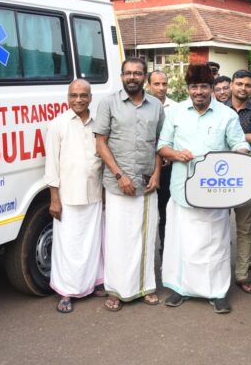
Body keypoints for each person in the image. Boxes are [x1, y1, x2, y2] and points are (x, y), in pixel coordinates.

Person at [157, 63, 249, 314]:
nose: (199, 91)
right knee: (182, 243)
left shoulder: (227, 115)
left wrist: (241, 158)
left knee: (214, 245)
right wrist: (176, 154)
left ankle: (217, 292)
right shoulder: (175, 114)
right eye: (194, 87)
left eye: (204, 86)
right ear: (188, 88)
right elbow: (162, 146)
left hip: (214, 192)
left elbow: (240, 144)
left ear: (212, 88)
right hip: (182, 191)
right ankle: (180, 289)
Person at [94, 58, 164, 311]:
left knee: (145, 236)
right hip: (118, 184)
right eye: (128, 73)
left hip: (147, 183)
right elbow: (100, 142)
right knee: (117, 239)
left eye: (137, 73)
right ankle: (116, 290)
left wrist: (157, 174)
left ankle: (145, 288)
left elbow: (160, 142)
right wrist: (119, 175)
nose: (132, 77)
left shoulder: (156, 105)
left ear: (145, 76)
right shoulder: (108, 103)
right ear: (121, 76)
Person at [44, 79, 105, 314]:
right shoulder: (57, 124)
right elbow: (52, 165)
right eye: (73, 95)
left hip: (94, 193)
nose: (78, 100)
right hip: (67, 196)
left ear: (90, 98)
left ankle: (91, 284)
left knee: (92, 243)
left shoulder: (99, 124)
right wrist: (54, 199)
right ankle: (66, 291)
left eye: (83, 95)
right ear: (67, 97)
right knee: (68, 246)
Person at [224, 69, 251, 294]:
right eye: (239, 83)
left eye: (247, 85)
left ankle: (241, 274)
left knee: (244, 228)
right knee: (217, 227)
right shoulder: (219, 108)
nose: (243, 88)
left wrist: (231, 135)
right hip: (219, 177)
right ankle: (218, 272)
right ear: (231, 85)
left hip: (246, 177)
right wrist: (244, 136)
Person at [146, 70, 176, 250]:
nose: (161, 88)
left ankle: (166, 251)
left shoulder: (177, 108)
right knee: (147, 214)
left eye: (164, 84)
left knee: (167, 213)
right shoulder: (142, 106)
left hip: (169, 168)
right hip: (147, 168)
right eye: (157, 84)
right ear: (148, 85)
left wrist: (170, 156)